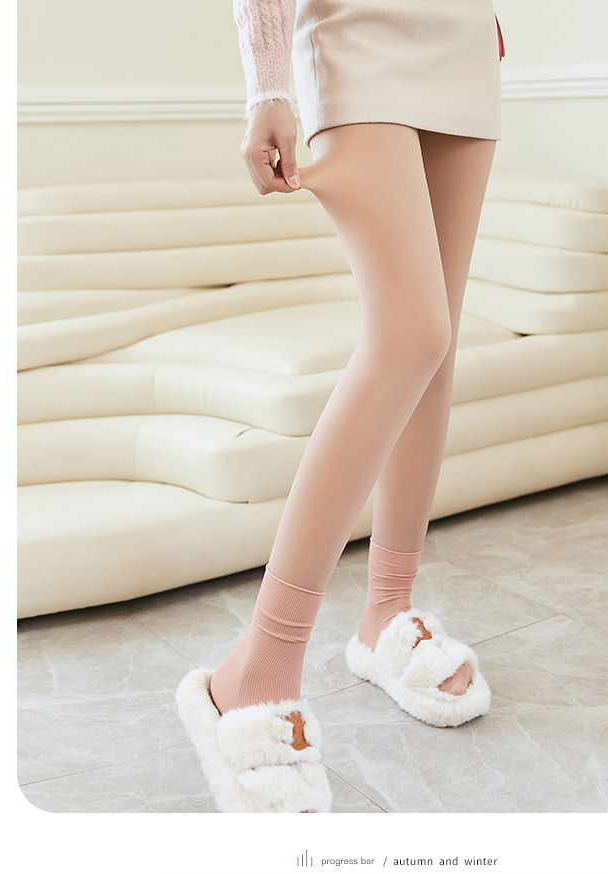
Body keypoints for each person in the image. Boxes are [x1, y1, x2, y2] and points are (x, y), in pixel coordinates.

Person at [177, 0, 504, 813]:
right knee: (410, 333)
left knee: (435, 346)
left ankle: (386, 614)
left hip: (463, 39)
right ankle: (255, 671)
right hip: (356, 32)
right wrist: (266, 82)